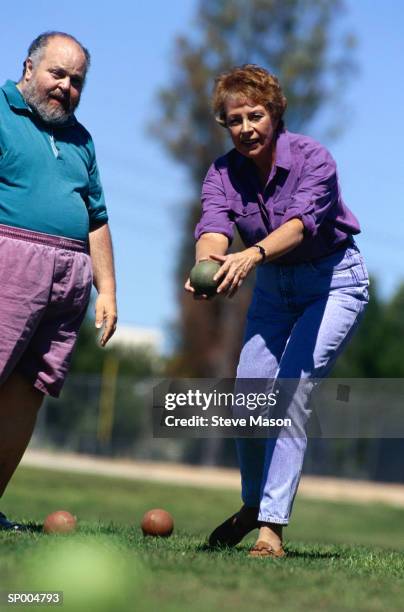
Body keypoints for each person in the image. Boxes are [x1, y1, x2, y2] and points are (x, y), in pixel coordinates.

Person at [185, 64, 369, 557]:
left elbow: (300, 227)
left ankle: (271, 529)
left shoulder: (314, 160)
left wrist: (250, 255)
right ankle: (252, 505)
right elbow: (214, 224)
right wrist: (207, 263)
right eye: (235, 119)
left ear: (276, 113)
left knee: (289, 392)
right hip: (273, 289)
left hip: (333, 282)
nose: (246, 128)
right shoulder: (223, 172)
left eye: (255, 115)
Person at [0, 32, 117, 530]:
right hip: (11, 262)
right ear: (29, 68)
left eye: (77, 81)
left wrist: (106, 289)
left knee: (31, 389)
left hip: (70, 277)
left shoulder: (81, 140)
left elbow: (97, 217)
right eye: (57, 74)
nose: (66, 87)